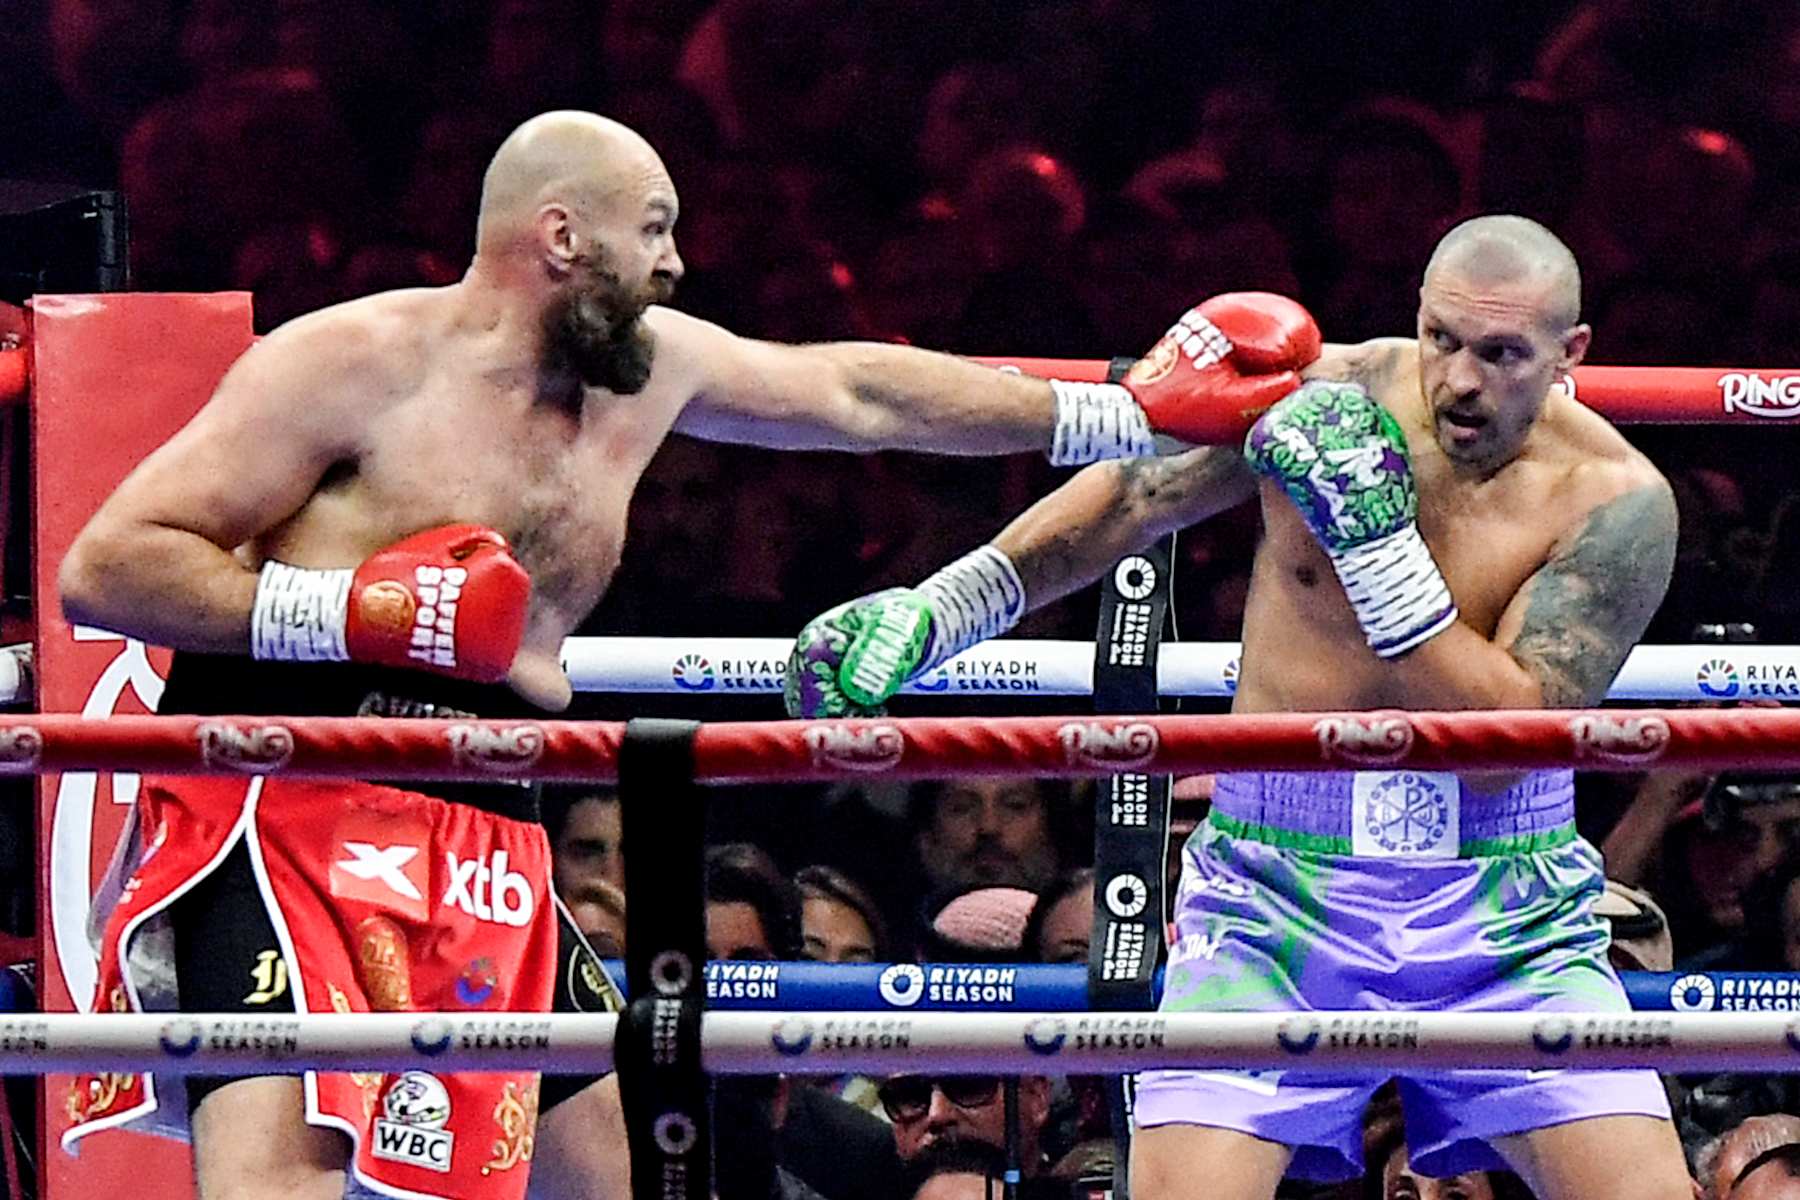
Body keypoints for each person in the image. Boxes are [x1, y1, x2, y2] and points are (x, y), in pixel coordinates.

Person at [56, 109, 1317, 1200]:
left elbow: (858, 394)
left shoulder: (645, 375)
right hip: (294, 802)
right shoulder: (353, 363)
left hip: (487, 815)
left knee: (599, 1168)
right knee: (282, 1175)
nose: (675, 262)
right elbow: (107, 567)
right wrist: (353, 614)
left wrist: (1123, 406)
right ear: (563, 238)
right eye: (653, 230)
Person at [788, 214, 1689, 1200]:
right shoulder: (1329, 395)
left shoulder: (1616, 502)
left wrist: (1380, 553)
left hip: (1504, 912)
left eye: (1503, 354)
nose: (1461, 381)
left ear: (1573, 354)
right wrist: (941, 610)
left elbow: (1501, 746)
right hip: (1273, 895)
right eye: (1443, 340)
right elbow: (1136, 498)